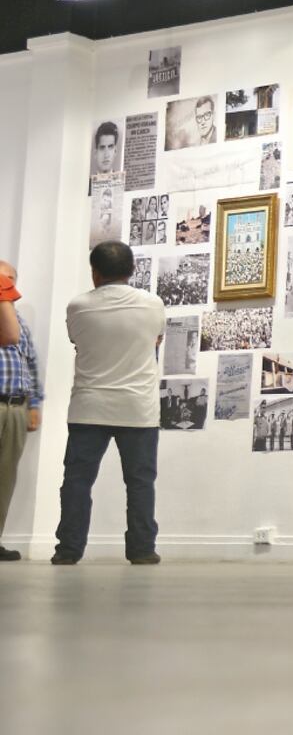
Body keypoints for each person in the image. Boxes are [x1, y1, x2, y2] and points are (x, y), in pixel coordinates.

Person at [52, 241, 166, 565]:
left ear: (95, 272)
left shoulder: (78, 306)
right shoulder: (153, 304)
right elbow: (156, 340)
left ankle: (68, 551)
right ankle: (142, 549)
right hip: (138, 408)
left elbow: (76, 341)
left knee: (77, 481)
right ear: (132, 271)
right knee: (141, 483)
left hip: (89, 407)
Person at [0, 261, 42, 561]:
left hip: (16, 406)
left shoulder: (21, 322)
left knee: (5, 478)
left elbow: (30, 363)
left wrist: (35, 404)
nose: (8, 285)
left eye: (11, 279)